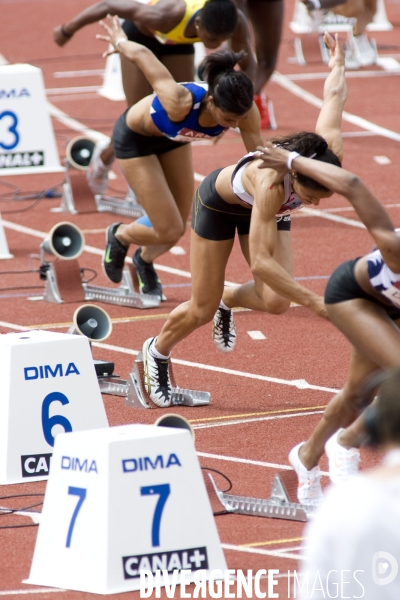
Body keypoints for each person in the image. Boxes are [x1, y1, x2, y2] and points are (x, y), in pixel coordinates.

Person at [139, 32, 346, 407]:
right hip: (221, 204)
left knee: (277, 301)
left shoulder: (326, 156)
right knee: (201, 307)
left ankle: (228, 300)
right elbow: (264, 264)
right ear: (295, 178)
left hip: (266, 211)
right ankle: (157, 350)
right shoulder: (271, 184)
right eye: (311, 198)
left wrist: (338, 64)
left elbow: (333, 98)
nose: (314, 205)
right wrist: (317, 304)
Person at [255, 134, 400, 507]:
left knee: (357, 394)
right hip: (354, 296)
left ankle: (307, 456)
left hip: (389, 306)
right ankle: (347, 443)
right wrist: (290, 161)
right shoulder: (395, 250)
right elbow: (351, 184)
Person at [97, 16, 263, 298]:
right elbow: (144, 56)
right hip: (136, 140)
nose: (236, 124)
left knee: (177, 225)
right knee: (169, 228)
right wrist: (120, 40)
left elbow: (258, 159)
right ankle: (120, 235)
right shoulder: (178, 101)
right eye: (228, 119)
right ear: (211, 102)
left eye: (241, 117)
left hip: (174, 141)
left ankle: (143, 260)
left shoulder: (245, 113)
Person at [54, 0, 261, 192]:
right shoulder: (165, 14)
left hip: (177, 44)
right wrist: (67, 29)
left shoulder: (234, 21)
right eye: (212, 38)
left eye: (224, 39)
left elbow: (249, 66)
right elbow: (108, 5)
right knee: (137, 116)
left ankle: (158, 172)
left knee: (183, 112)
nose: (216, 44)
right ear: (198, 23)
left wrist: (231, 107)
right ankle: (104, 158)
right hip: (141, 39)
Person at [297, 369, 400, 600]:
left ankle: (321, 449)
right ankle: (342, 441)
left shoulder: (341, 502)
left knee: (358, 387)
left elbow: (313, 592)